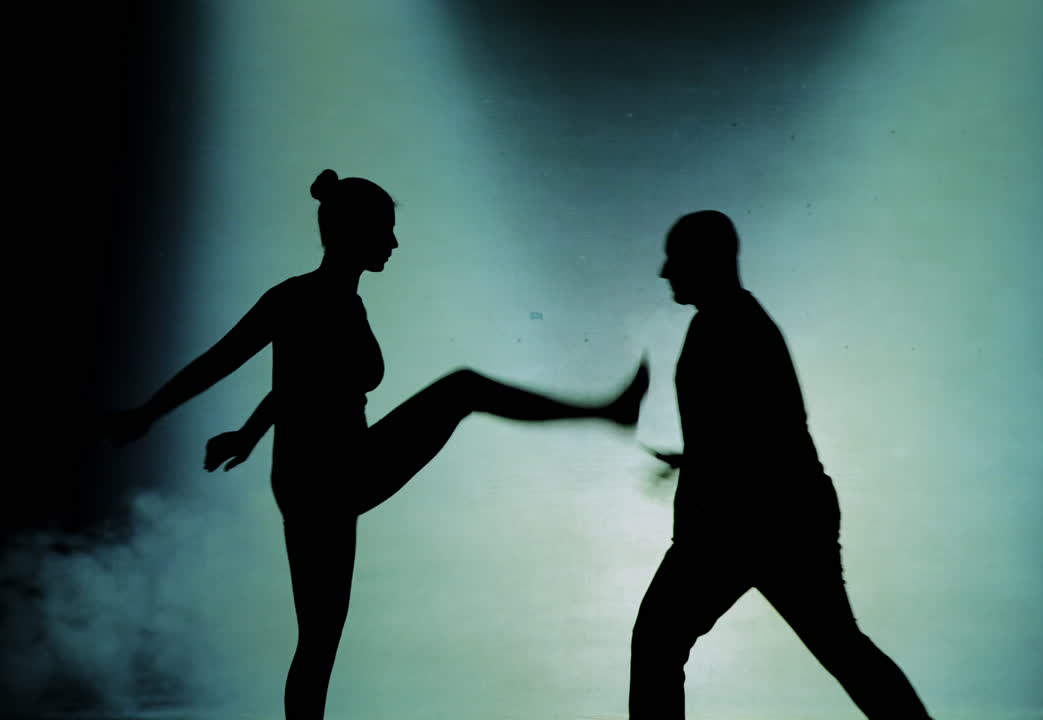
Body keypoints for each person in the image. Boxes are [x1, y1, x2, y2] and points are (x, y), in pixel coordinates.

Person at [106, 169, 648, 719]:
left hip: (333, 471)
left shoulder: (343, 301)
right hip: (325, 476)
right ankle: (606, 411)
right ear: (351, 233)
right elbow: (221, 360)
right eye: (384, 231)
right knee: (463, 390)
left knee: (319, 643)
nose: (393, 243)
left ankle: (607, 411)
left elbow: (299, 382)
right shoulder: (298, 297)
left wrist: (249, 432)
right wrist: (148, 414)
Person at [631, 210, 932, 719]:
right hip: (781, 516)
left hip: (738, 524)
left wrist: (699, 472)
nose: (665, 271)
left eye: (675, 258)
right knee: (842, 647)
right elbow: (767, 429)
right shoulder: (735, 320)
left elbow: (754, 434)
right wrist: (694, 461)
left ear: (706, 260)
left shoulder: (724, 325)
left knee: (659, 639)